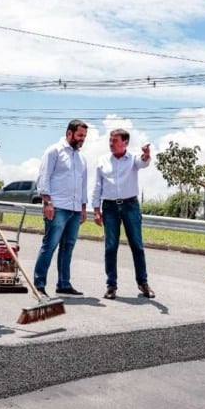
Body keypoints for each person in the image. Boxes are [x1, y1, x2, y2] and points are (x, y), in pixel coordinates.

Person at [92, 129, 154, 300]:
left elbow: (143, 162)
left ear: (125, 142)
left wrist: (146, 155)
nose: (111, 143)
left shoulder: (133, 159)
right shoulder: (103, 160)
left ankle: (143, 282)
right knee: (110, 247)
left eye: (115, 140)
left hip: (130, 205)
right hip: (109, 207)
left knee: (137, 245)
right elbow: (97, 186)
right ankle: (111, 285)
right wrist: (96, 210)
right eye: (110, 140)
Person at [34, 119, 88, 297]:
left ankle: (64, 284)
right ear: (69, 133)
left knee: (68, 247)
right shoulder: (54, 151)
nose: (82, 139)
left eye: (84, 136)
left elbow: (83, 184)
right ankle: (39, 285)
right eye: (80, 135)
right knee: (50, 245)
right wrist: (47, 202)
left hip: (75, 209)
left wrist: (83, 208)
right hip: (57, 207)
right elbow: (43, 177)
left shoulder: (81, 158)